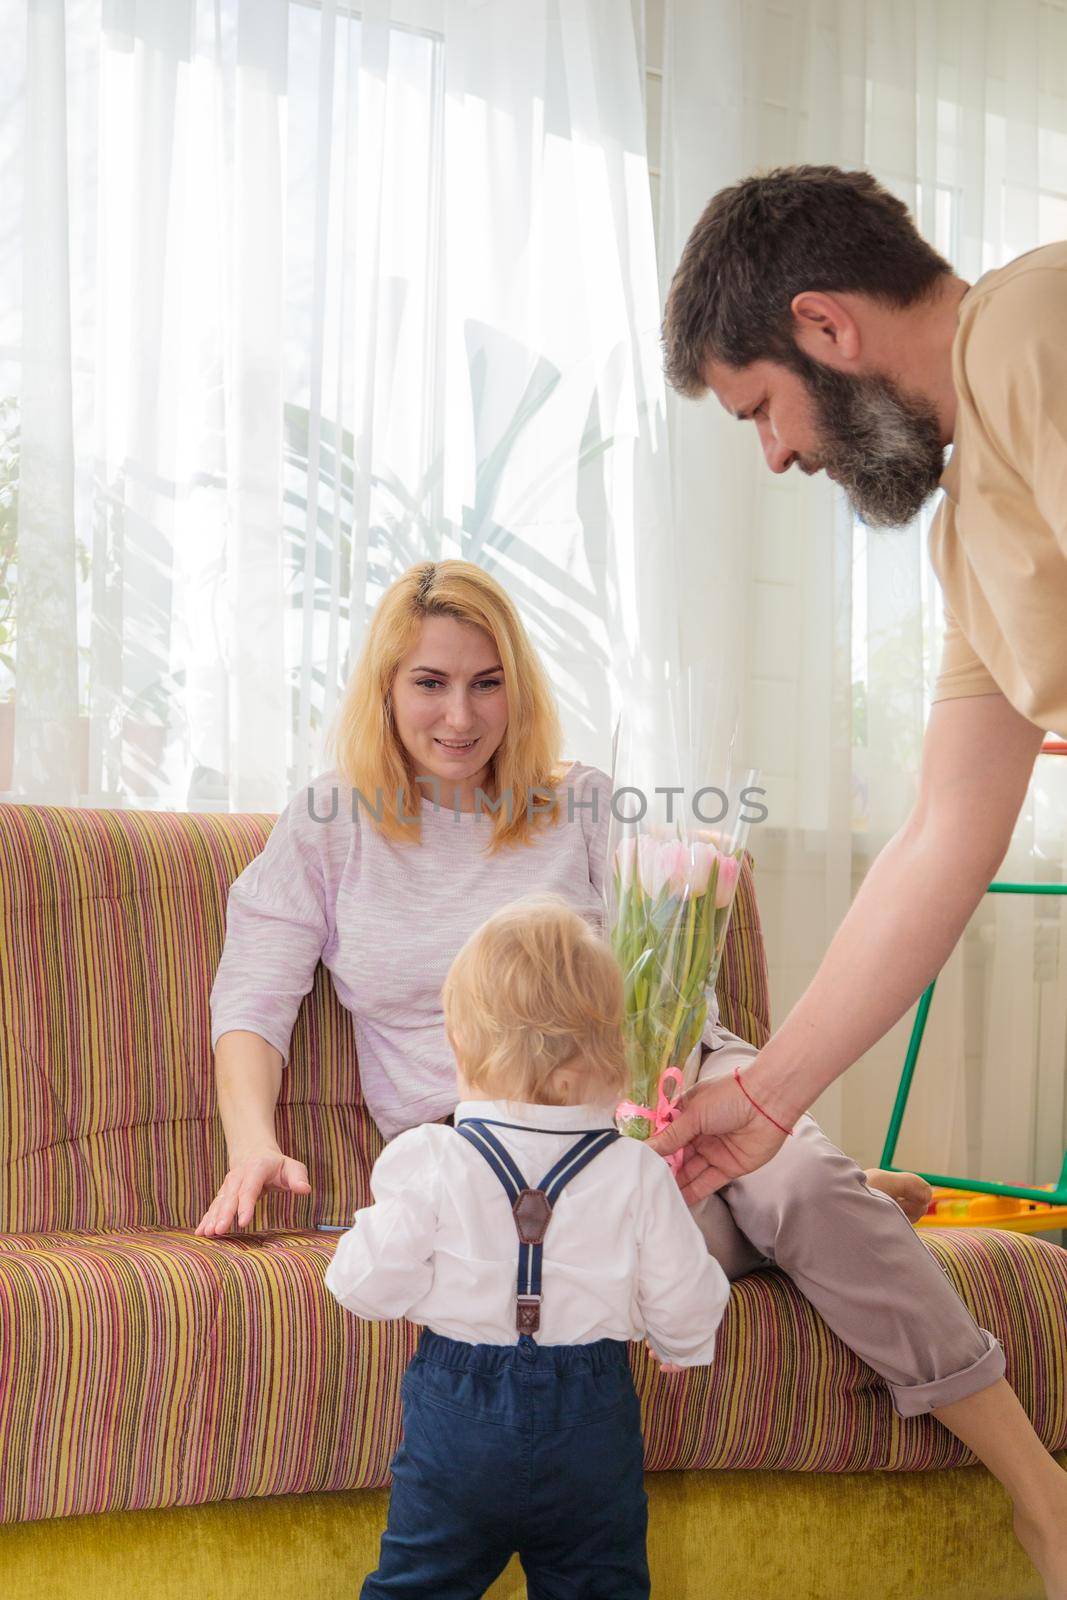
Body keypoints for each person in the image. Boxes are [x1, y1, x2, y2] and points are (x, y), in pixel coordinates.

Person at [197, 557, 1062, 1589]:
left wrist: (654, 1097)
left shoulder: (583, 805)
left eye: (485, 681)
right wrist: (253, 1140)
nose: (460, 715)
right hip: (510, 1156)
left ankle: (1043, 1503)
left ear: (516, 685)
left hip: (669, 1092)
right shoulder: (329, 827)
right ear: (384, 689)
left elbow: (673, 976)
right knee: (687, 1225)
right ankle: (829, 1194)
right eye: (429, 682)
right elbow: (252, 996)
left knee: (786, 1182)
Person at [656, 163, 1067, 1594]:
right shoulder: (967, 537)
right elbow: (939, 840)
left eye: (756, 408)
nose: (772, 457)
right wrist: (760, 1103)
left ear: (823, 326)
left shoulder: (1029, 329)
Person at [324, 895, 729, 1599]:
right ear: (611, 1049)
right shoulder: (633, 1168)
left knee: (417, 1584)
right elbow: (687, 1296)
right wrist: (678, 1342)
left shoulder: (433, 1158)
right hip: (592, 1419)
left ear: (457, 1043)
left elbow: (362, 1288)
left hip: (458, 1419)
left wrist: (406, 1262)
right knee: (598, 1586)